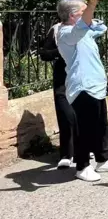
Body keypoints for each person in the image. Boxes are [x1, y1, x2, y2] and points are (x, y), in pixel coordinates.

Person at [57, 0, 108, 182]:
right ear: (72, 16)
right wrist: (92, 4)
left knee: (100, 125)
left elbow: (101, 27)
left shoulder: (84, 30)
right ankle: (82, 166)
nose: (89, 14)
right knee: (84, 128)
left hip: (96, 85)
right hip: (82, 87)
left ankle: (104, 159)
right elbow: (80, 29)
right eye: (84, 11)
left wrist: (89, 16)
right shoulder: (65, 33)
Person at [40, 22, 77, 169]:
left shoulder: (85, 26)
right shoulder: (56, 29)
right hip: (63, 76)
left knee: (83, 113)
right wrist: (61, 50)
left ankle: (84, 147)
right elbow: (44, 54)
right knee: (65, 114)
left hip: (82, 74)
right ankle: (66, 154)